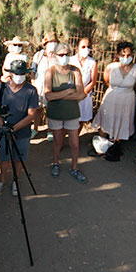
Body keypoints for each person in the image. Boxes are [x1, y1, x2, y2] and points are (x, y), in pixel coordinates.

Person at [0, 60, 39, 197]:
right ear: (11, 74)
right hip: (4, 131)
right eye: (17, 73)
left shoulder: (31, 91)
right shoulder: (2, 88)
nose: (20, 76)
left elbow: (31, 115)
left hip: (23, 132)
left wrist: (13, 129)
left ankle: (15, 180)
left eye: (22, 73)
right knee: (4, 158)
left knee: (19, 158)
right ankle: (2, 181)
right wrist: (3, 127)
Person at [92, 41, 136, 160]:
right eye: (123, 55)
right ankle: (101, 147)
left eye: (128, 55)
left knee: (122, 121)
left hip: (127, 99)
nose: (125, 58)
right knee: (106, 121)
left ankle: (115, 148)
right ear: (117, 55)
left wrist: (128, 90)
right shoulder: (111, 67)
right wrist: (117, 90)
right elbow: (106, 81)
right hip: (111, 97)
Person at [44, 43, 87, 183]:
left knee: (75, 143)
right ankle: (56, 163)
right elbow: (48, 96)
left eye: (67, 54)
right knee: (57, 141)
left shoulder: (75, 71)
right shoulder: (50, 71)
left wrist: (59, 95)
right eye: (61, 54)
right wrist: (69, 91)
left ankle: (74, 167)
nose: (64, 57)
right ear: (55, 56)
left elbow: (81, 94)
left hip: (72, 113)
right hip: (55, 113)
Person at [31, 33, 58, 139]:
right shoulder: (38, 55)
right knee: (37, 109)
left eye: (55, 42)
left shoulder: (57, 57)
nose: (53, 44)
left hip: (52, 88)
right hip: (38, 86)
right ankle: (35, 129)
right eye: (51, 42)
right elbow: (32, 70)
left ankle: (50, 131)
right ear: (46, 44)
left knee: (50, 110)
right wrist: (33, 83)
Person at [71, 38, 98, 133]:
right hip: (71, 93)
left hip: (85, 94)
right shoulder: (71, 60)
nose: (86, 49)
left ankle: (76, 137)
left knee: (81, 118)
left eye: (88, 47)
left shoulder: (92, 62)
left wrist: (82, 94)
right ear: (77, 48)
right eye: (83, 46)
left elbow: (93, 81)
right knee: (69, 118)